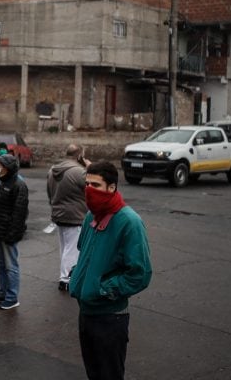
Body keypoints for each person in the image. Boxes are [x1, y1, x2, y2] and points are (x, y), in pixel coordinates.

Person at [70, 161, 152, 380]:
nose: (89, 190)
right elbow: (84, 254)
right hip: (85, 313)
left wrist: (103, 290)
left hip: (109, 318)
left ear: (112, 187)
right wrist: (77, 275)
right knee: (94, 374)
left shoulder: (129, 222)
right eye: (86, 184)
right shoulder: (91, 216)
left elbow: (140, 274)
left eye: (95, 185)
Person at [0, 154, 28, 310]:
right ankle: (2, 292)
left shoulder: (19, 185)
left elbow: (20, 213)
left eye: (0, 166)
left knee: (11, 266)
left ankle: (12, 296)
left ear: (8, 168)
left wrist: (13, 234)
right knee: (1, 264)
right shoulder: (0, 182)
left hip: (8, 232)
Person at [46, 144, 90, 292]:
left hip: (58, 214)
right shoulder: (79, 172)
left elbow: (49, 193)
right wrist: (90, 168)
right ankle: (66, 279)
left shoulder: (52, 170)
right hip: (75, 216)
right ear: (79, 156)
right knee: (72, 250)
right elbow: (93, 189)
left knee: (65, 248)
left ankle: (65, 276)